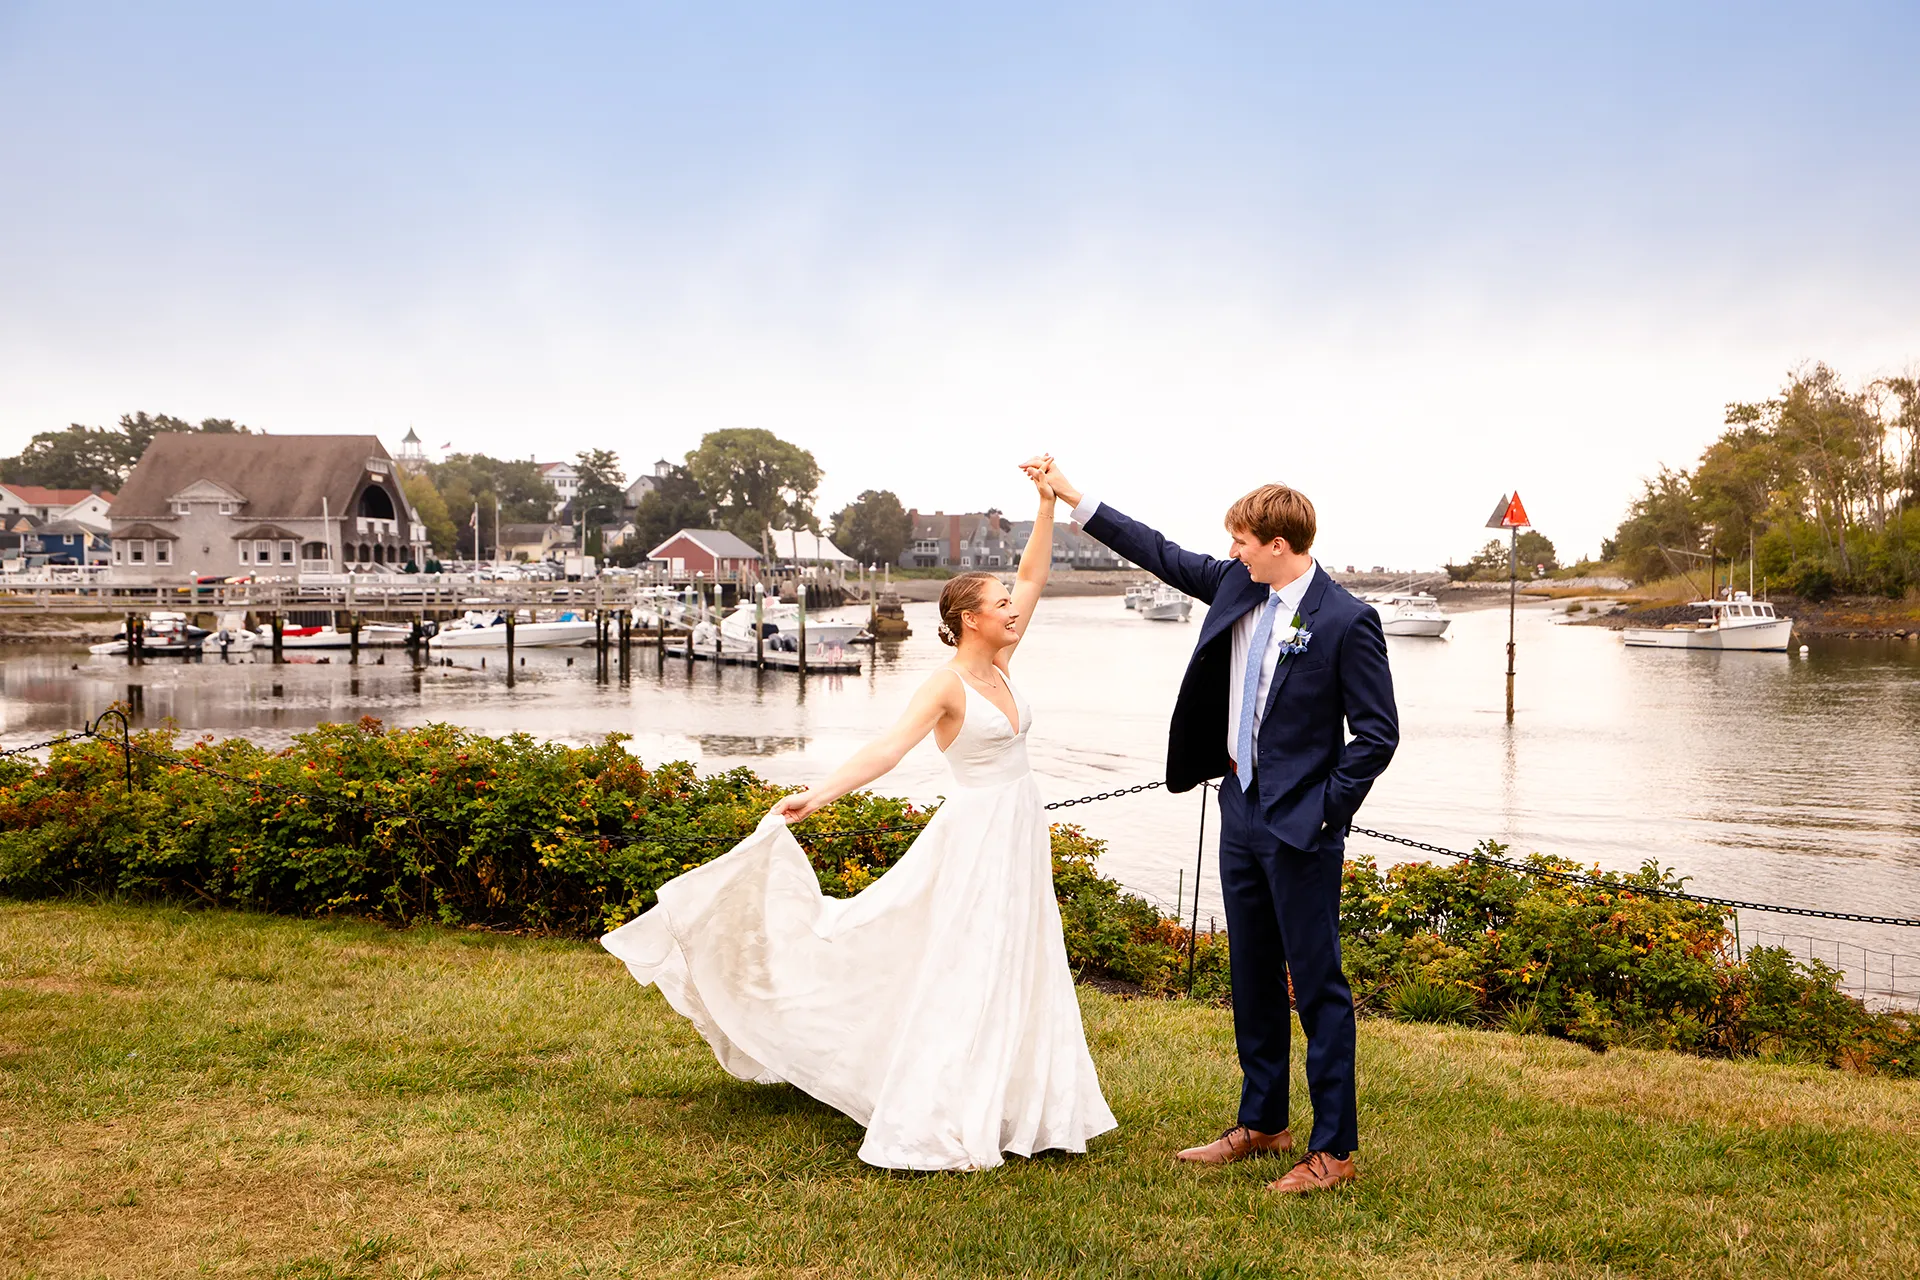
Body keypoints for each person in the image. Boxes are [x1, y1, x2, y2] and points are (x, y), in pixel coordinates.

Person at [601, 467, 1117, 1172]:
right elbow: (886, 749)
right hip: (974, 836)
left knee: (1019, 952)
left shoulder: (1004, 658)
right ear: (971, 617)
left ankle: (1024, 1104)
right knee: (962, 959)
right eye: (1000, 604)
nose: (1014, 608)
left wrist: (1044, 505)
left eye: (1010, 602)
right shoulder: (946, 683)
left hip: (1017, 832)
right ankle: (943, 1103)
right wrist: (819, 794)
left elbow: (1033, 572)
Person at [1029, 457, 1398, 1195]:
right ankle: (1263, 1122)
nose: (1230, 551)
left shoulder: (1346, 620)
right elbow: (1157, 551)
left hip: (1304, 827)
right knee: (1251, 975)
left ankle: (1336, 1150)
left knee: (1317, 986)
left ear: (1280, 545)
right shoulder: (1236, 585)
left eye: (1241, 540)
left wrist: (1326, 808)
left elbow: (1377, 736)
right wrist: (1075, 497)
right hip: (1239, 810)